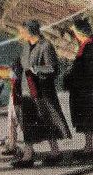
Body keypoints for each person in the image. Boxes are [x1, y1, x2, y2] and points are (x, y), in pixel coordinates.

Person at [11, 20, 71, 167]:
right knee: (28, 121)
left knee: (47, 120)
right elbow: (22, 64)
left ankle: (54, 152)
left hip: (42, 91)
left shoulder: (46, 46)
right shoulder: (25, 46)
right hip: (26, 90)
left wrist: (36, 69)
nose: (20, 34)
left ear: (29, 32)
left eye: (22, 31)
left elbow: (53, 69)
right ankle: (28, 154)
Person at [64, 17, 93, 160]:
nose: (74, 36)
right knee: (87, 121)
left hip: (86, 90)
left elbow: (86, 70)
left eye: (74, 32)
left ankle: (89, 148)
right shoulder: (86, 45)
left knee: (88, 120)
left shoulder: (88, 47)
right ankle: (88, 146)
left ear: (80, 33)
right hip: (84, 90)